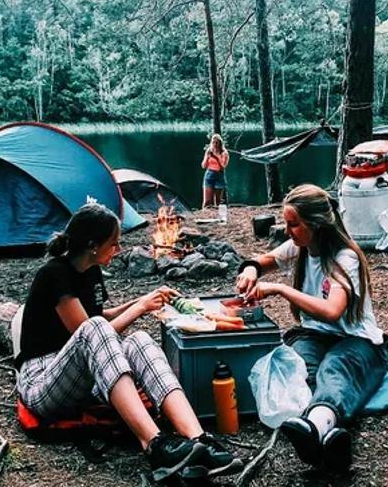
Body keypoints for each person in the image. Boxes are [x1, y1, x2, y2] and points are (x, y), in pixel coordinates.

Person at [16, 203, 242, 481]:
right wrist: (141, 308)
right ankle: (154, 444)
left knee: (139, 340)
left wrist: (145, 299)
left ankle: (198, 438)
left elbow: (101, 317)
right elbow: (90, 333)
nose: (118, 250)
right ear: (92, 245)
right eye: (114, 244)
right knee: (97, 329)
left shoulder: (91, 271)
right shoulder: (54, 275)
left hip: (82, 381)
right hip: (43, 382)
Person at [235, 184, 388, 472]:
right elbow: (264, 260)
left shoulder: (345, 258)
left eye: (293, 224)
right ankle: (328, 439)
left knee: (335, 369)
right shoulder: (300, 246)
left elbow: (332, 311)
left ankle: (315, 428)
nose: (287, 230)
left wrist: (280, 289)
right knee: (298, 370)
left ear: (315, 225)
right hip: (313, 335)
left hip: (356, 340)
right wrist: (251, 269)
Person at [200, 133, 229, 208]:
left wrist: (216, 157)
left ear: (220, 143)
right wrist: (207, 157)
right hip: (209, 174)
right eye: (213, 142)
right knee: (207, 201)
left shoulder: (224, 153)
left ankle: (218, 216)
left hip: (219, 175)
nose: (215, 144)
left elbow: (223, 166)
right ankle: (205, 215)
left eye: (217, 142)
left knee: (218, 201)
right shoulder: (209, 151)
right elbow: (203, 166)